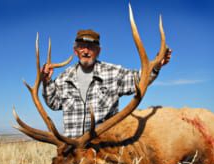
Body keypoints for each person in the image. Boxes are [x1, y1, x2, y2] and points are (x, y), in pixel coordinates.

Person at [42, 29, 171, 137]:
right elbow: (54, 103)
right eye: (82, 46)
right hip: (74, 150)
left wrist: (155, 66)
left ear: (98, 51)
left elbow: (139, 79)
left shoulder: (113, 73)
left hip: (104, 149)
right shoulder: (64, 78)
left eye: (91, 47)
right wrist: (47, 81)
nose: (86, 51)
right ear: (75, 51)